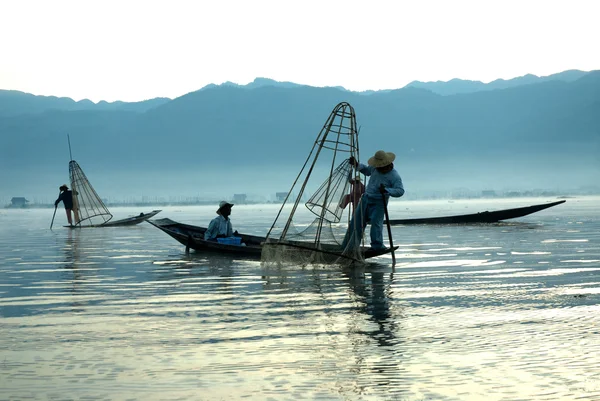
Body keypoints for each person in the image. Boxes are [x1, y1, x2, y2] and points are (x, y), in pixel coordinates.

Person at [341, 150, 405, 250]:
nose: (379, 167)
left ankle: (377, 246)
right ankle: (349, 246)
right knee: (355, 223)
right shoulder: (375, 168)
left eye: (381, 166)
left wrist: (386, 190)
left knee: (376, 224)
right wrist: (356, 164)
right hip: (366, 199)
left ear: (387, 164)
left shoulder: (394, 176)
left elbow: (400, 191)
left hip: (379, 202)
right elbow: (366, 171)